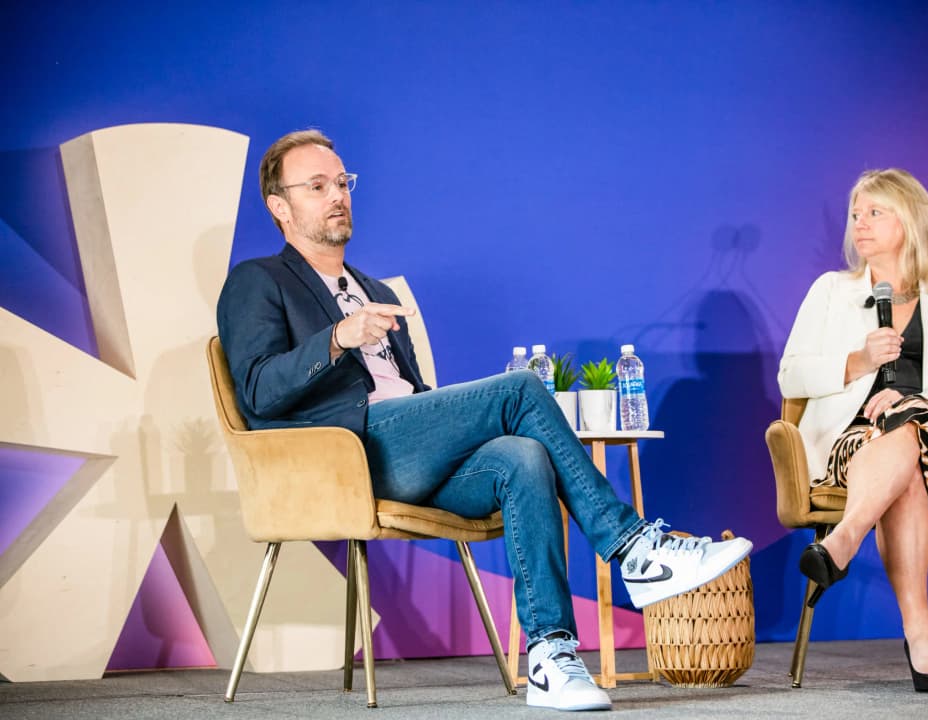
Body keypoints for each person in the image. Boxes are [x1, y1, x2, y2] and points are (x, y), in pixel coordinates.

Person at [216, 129, 753, 712]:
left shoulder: (372, 289)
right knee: (522, 388)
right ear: (280, 207)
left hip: (409, 451)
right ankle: (636, 550)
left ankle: (549, 656)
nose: (337, 195)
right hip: (350, 455)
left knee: (524, 456)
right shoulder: (259, 280)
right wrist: (339, 337)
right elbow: (258, 392)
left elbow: (414, 393)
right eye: (317, 186)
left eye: (342, 182)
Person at [778, 168, 928, 693]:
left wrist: (915, 402)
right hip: (856, 442)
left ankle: (844, 540)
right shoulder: (830, 292)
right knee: (903, 465)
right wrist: (857, 361)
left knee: (910, 429)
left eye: (875, 212)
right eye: (855, 215)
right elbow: (791, 376)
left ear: (911, 220)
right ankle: (920, 629)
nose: (859, 224)